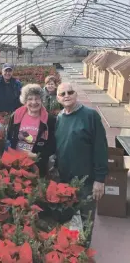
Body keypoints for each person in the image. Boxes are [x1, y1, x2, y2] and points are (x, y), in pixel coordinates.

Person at [54, 82, 108, 247]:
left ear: (76, 94)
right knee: (65, 219)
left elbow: (101, 148)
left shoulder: (91, 116)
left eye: (70, 92)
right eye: (62, 94)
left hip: (87, 180)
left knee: (86, 220)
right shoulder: (60, 117)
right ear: (58, 98)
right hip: (65, 179)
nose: (66, 96)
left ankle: (84, 252)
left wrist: (100, 179)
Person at [6, 84, 56, 177]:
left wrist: (37, 156)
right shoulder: (16, 115)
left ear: (41, 100)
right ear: (25, 101)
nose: (34, 102)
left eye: (37, 98)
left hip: (37, 165)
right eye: (30, 99)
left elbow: (52, 145)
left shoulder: (49, 119)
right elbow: (9, 137)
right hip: (16, 163)